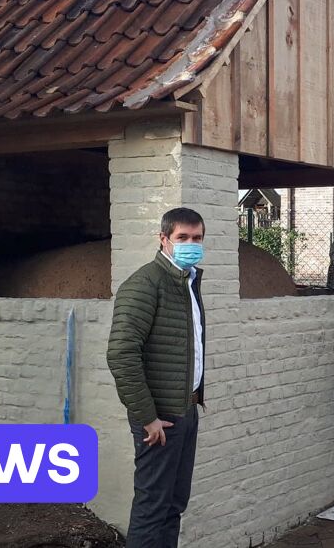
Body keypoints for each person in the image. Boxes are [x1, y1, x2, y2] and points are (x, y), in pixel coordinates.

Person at [108, 207, 207, 548]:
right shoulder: (144, 285)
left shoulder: (188, 283)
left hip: (186, 410)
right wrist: (147, 417)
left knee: (173, 504)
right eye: (182, 238)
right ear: (164, 240)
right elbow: (121, 354)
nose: (190, 244)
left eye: (196, 238)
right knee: (152, 508)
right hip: (159, 419)